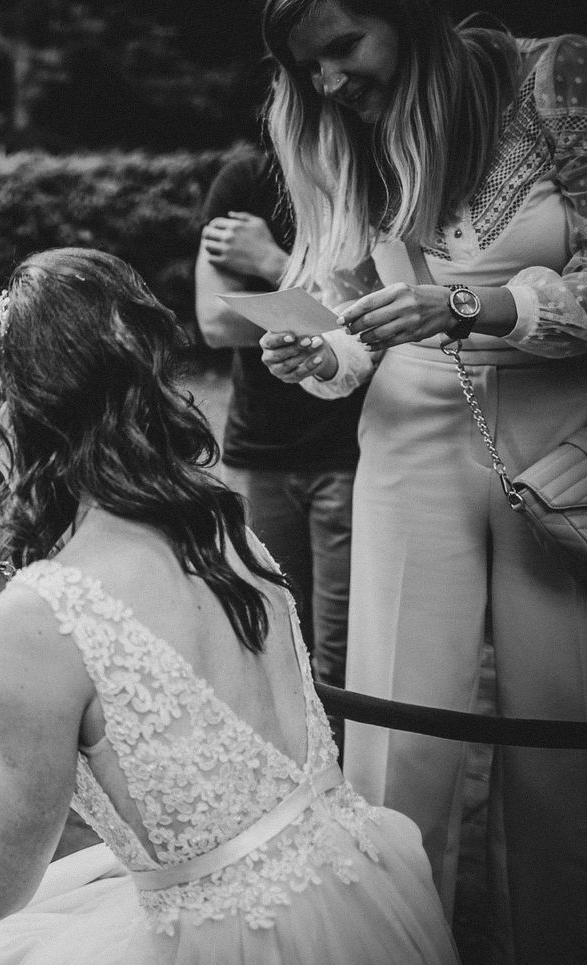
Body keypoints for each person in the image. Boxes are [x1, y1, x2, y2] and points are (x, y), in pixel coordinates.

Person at [0, 248, 466, 965]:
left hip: (231, 961)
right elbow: (174, 703)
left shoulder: (46, 606)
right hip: (352, 900)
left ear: (31, 412)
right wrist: (31, 668)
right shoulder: (220, 522)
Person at [256, 2, 587, 965]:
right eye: (305, 67)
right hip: (412, 437)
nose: (326, 84)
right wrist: (317, 347)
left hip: (565, 440)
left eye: (341, 49)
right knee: (400, 743)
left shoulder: (555, 77)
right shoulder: (347, 140)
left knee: (565, 746)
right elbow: (358, 325)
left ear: (408, 20)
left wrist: (474, 303)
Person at [194, 148, 364, 704]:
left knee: (343, 655)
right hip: (260, 450)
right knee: (273, 638)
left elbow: (382, 322)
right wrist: (327, 311)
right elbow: (217, 323)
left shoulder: (370, 176)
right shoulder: (243, 183)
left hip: (355, 451)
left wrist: (272, 264)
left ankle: (343, 781)